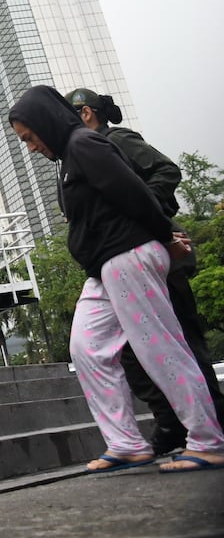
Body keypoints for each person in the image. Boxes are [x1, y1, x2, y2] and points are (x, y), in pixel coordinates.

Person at [10, 85, 224, 474]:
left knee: (160, 348)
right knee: (87, 349)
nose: (30, 147)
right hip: (105, 267)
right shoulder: (68, 157)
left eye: (30, 137)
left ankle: (209, 441)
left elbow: (134, 193)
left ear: (45, 123)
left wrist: (163, 235)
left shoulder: (84, 144)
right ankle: (126, 442)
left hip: (128, 255)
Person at [69, 87, 224, 454]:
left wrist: (139, 213)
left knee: (180, 340)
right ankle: (171, 424)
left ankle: (213, 429)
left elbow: (166, 170)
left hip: (151, 249)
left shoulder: (115, 139)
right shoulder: (84, 155)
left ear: (87, 113)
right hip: (122, 259)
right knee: (128, 352)